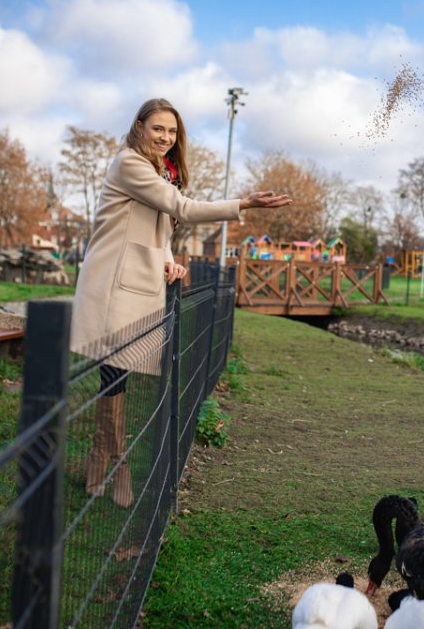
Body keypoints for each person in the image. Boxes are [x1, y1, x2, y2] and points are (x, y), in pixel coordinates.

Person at [71, 97, 291, 507]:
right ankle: (115, 464)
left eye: (172, 132)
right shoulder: (130, 164)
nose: (165, 138)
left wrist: (170, 262)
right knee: (114, 375)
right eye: (158, 128)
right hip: (112, 284)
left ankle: (98, 460)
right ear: (139, 127)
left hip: (136, 281)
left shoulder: (161, 172)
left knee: (116, 377)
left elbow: (157, 230)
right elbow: (182, 209)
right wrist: (244, 203)